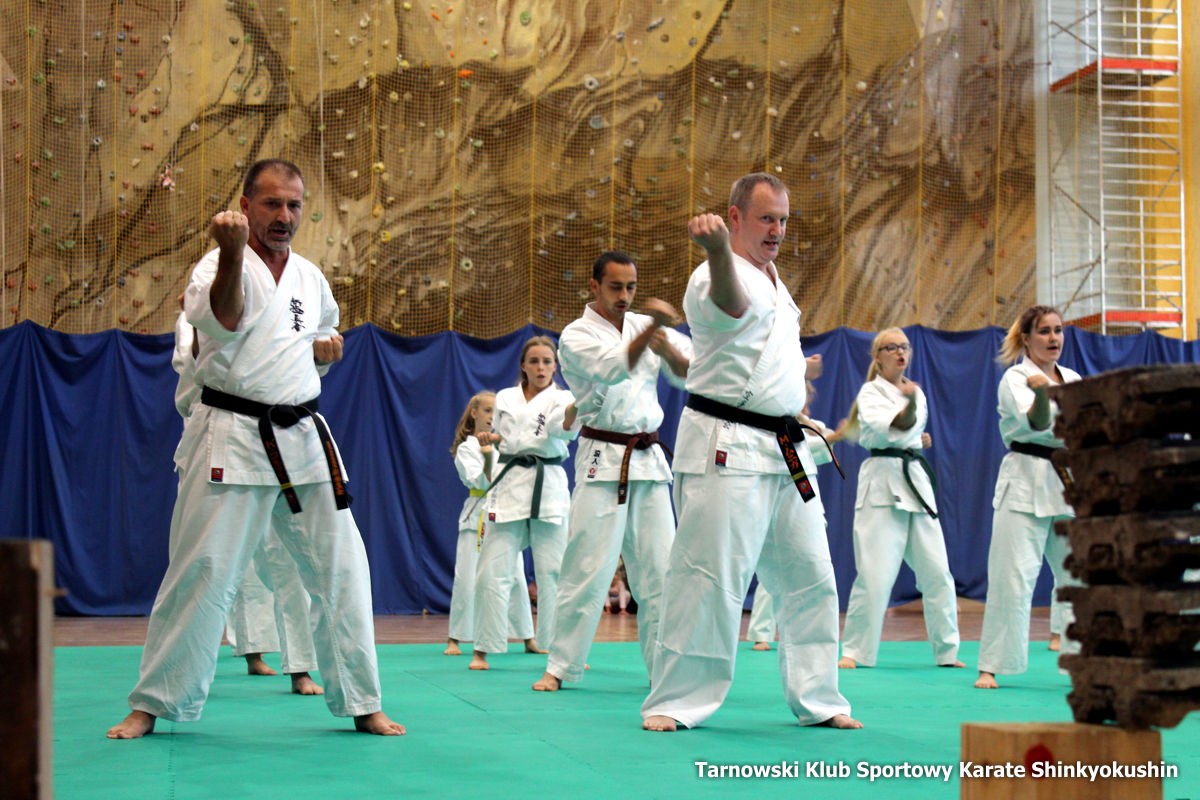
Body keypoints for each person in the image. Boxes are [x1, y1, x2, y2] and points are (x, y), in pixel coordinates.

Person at [107, 159, 403, 737]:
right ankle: (154, 702)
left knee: (344, 570)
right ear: (245, 207)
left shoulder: (310, 278)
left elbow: (318, 334)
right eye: (272, 204)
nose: (284, 215)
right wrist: (232, 252)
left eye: (294, 204)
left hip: (303, 437)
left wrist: (325, 351)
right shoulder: (216, 265)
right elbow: (222, 320)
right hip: (233, 434)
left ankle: (362, 699)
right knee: (203, 571)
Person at [640, 173, 860, 731]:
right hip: (727, 442)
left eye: (783, 220)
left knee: (813, 575)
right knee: (707, 577)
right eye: (766, 218)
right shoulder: (712, 274)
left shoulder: (777, 284)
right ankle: (677, 700)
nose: (777, 230)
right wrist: (716, 251)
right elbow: (732, 306)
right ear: (735, 217)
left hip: (785, 447)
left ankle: (820, 699)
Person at [532, 251, 691, 692]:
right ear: (595, 286)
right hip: (603, 458)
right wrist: (653, 330)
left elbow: (688, 375)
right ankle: (561, 666)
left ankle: (664, 669)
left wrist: (664, 344)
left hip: (648, 459)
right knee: (587, 568)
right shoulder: (576, 334)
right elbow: (612, 369)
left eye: (631, 287)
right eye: (616, 287)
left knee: (660, 572)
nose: (624, 296)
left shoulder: (646, 326)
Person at [176, 296, 323, 695]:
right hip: (218, 441)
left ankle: (301, 667)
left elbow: (302, 372)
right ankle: (242, 654)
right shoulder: (197, 314)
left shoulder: (288, 306)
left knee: (288, 562)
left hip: (281, 445)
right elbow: (192, 372)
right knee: (215, 564)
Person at [836, 328, 963, 670]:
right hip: (881, 483)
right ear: (877, 357)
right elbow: (896, 428)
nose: (899, 352)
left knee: (938, 572)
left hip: (915, 483)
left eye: (904, 346)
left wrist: (916, 432)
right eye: (891, 347)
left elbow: (910, 432)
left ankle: (947, 651)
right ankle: (856, 651)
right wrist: (911, 412)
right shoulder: (870, 392)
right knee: (874, 575)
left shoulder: (916, 392)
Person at [975, 305, 1081, 689]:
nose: (1053, 338)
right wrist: (1040, 395)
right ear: (1026, 338)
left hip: (1067, 479)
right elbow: (1037, 424)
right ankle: (992, 665)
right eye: (1044, 331)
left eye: (1058, 330)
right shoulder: (1016, 377)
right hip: (1024, 478)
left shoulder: (1073, 379)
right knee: (1013, 576)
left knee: (1080, 575)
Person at [469, 336, 578, 670]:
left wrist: (583, 401)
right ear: (523, 366)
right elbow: (506, 436)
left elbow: (565, 428)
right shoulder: (505, 397)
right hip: (512, 480)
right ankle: (483, 647)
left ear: (556, 367)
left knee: (554, 572)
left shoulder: (565, 398)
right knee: (492, 570)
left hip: (548, 483)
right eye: (534, 361)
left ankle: (560, 650)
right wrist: (492, 438)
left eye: (547, 361)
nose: (541, 368)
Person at [747, 382, 845, 651]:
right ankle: (761, 632)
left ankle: (804, 637)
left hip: (804, 500)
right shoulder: (770, 421)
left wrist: (807, 421)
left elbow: (820, 445)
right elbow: (810, 444)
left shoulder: (811, 424)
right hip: (771, 493)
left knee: (810, 569)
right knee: (771, 572)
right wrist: (835, 436)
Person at [446, 390, 541, 656]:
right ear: (474, 413)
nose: (492, 416)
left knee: (515, 577)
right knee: (468, 577)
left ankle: (527, 636)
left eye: (496, 412)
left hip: (506, 512)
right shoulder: (467, 448)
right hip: (477, 514)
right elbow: (481, 479)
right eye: (487, 410)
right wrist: (488, 455)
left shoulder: (506, 445)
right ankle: (455, 637)